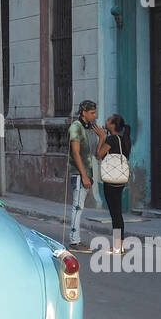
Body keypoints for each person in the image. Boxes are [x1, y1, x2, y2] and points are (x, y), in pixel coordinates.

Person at [66, 100, 105, 249]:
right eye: (92, 113)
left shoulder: (89, 129)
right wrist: (84, 175)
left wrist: (102, 137)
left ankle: (76, 239)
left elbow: (96, 154)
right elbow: (75, 153)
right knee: (77, 207)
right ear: (84, 112)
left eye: (95, 112)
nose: (94, 116)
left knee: (79, 207)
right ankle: (74, 241)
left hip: (88, 174)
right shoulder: (75, 127)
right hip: (79, 174)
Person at [95, 113, 132, 253]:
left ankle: (117, 247)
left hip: (110, 181)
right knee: (117, 212)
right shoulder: (124, 140)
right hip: (120, 179)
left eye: (108, 120)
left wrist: (101, 138)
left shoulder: (111, 139)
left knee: (115, 213)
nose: (106, 121)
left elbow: (98, 155)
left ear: (113, 125)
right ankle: (119, 245)